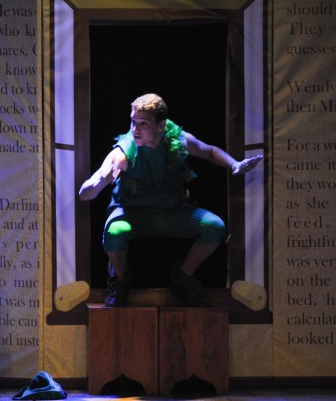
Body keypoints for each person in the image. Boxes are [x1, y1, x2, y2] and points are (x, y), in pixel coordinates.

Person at [79, 93, 262, 307]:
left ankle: (182, 278)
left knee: (216, 227)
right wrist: (101, 180)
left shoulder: (178, 140)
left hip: (172, 212)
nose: (135, 129)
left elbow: (209, 152)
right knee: (113, 231)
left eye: (143, 123)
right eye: (133, 122)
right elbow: (85, 193)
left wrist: (234, 164)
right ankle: (119, 280)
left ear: (161, 126)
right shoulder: (124, 151)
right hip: (134, 215)